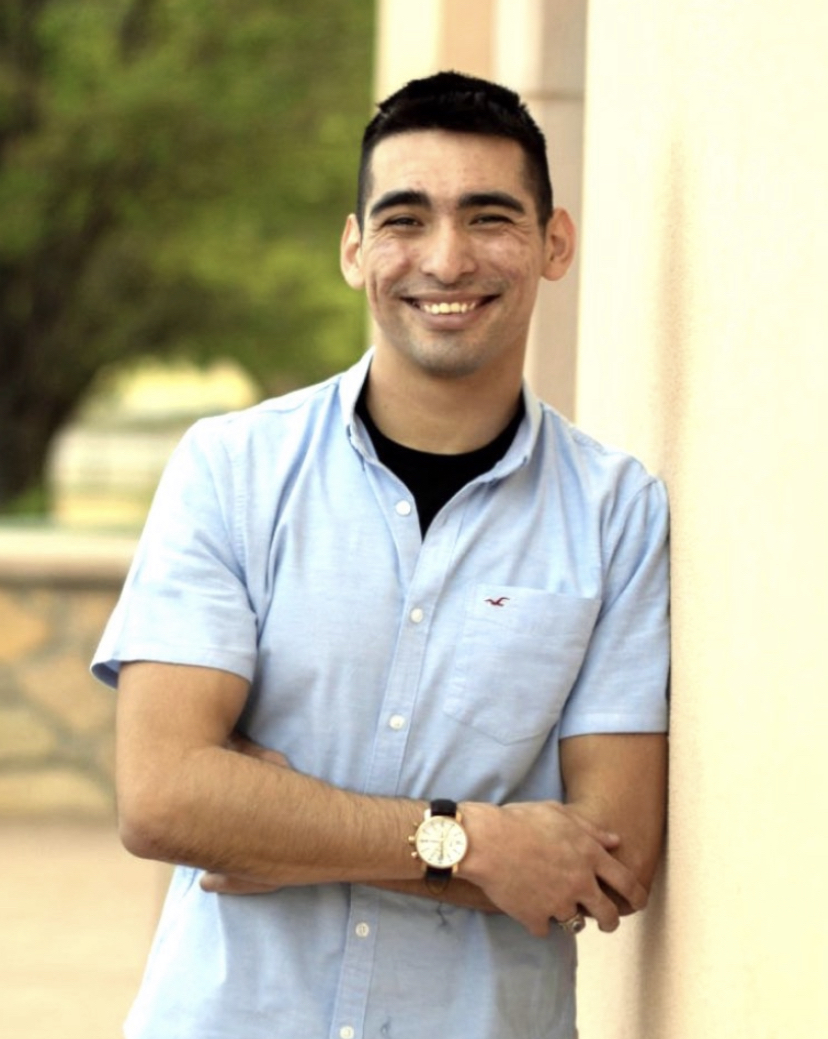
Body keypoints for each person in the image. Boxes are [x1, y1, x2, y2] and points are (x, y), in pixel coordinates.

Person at [93, 70, 669, 1039]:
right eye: (405, 218)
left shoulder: (616, 513)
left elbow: (608, 861)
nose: (446, 259)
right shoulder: (231, 469)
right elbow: (160, 797)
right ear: (356, 249)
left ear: (554, 243)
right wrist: (471, 838)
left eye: (490, 218)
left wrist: (279, 827)